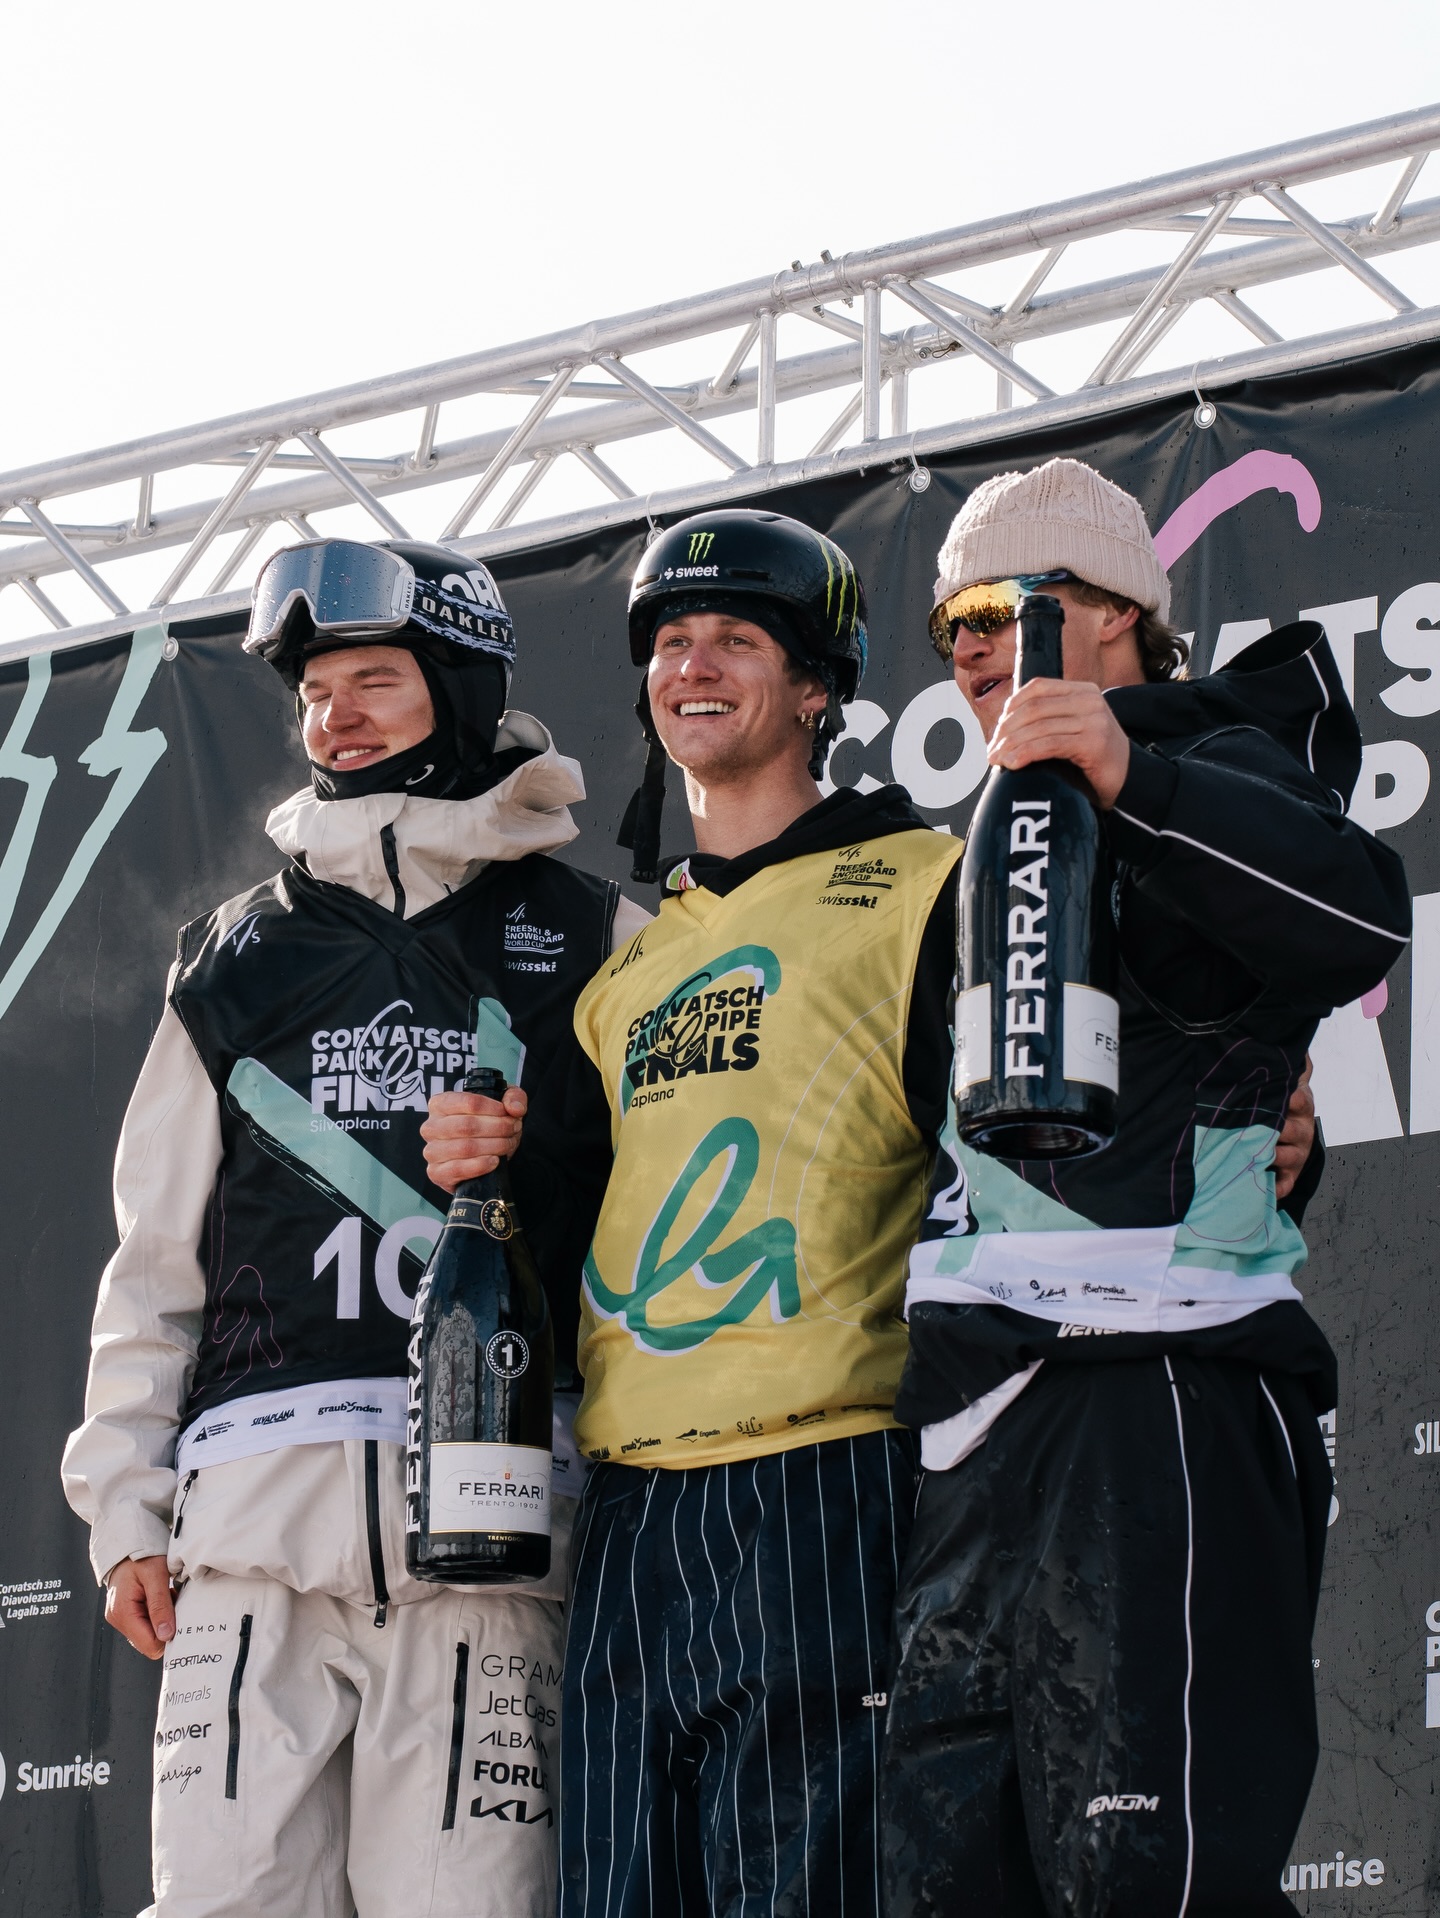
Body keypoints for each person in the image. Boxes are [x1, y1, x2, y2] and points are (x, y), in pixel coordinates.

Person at [61, 537, 648, 1918]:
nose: (337, 717)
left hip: (492, 1546)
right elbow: (154, 1261)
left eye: (374, 680)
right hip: (251, 1543)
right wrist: (127, 1507)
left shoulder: (599, 934)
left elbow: (664, 1235)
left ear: (461, 686)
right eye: (317, 693)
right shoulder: (231, 957)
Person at [882, 458, 1411, 1916]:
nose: (970, 650)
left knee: (1152, 1878)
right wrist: (1263, 1146)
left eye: (998, 610)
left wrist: (1132, 774)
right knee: (951, 1876)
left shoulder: (1221, 755)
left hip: (1156, 1383)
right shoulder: (989, 828)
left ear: (1111, 610)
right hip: (977, 1411)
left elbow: (1357, 918)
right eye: (949, 627)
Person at [423, 506, 962, 1917]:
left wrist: (1273, 1136)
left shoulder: (928, 886)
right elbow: (552, 1238)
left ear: (818, 686)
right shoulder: (626, 969)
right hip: (632, 1503)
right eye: (670, 642)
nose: (693, 666)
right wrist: (494, 1162)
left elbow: (1038, 1145)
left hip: (828, 1476)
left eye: (736, 639)